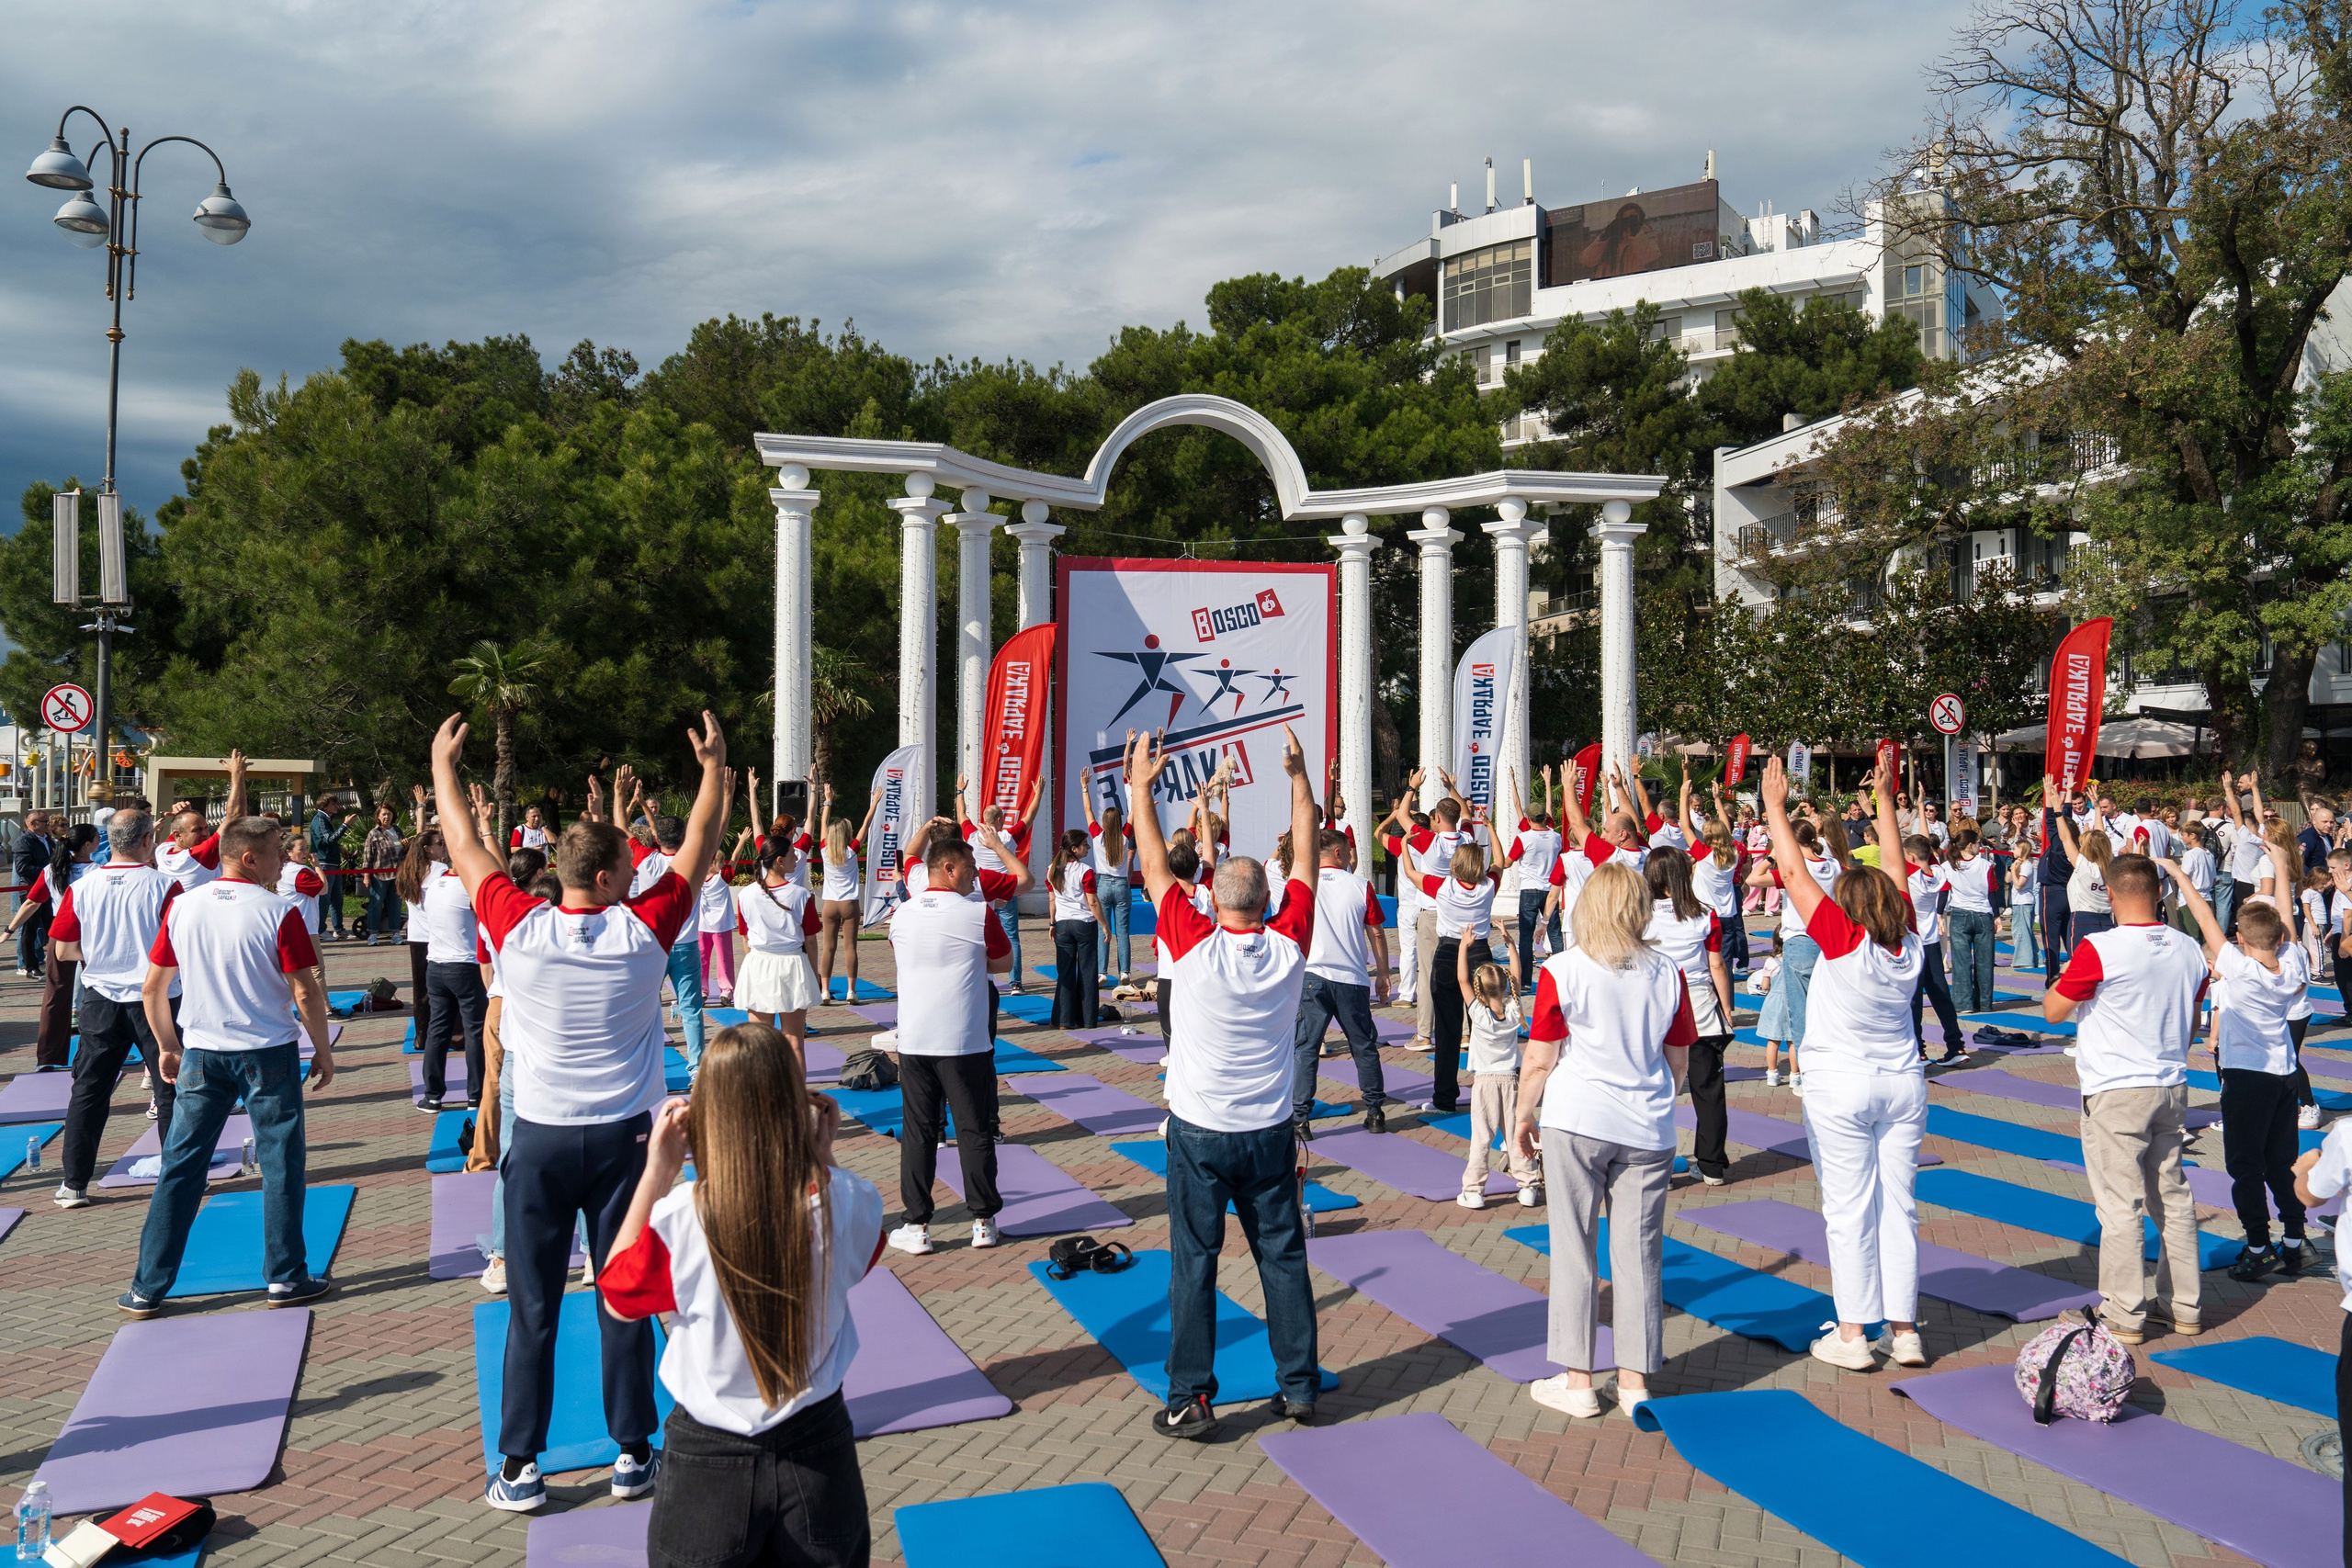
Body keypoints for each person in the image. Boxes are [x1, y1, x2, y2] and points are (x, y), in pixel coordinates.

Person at [432, 709, 729, 1512]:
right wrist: (713, 768)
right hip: (625, 1144)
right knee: (622, 1294)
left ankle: (521, 1466)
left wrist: (441, 767)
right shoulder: (642, 931)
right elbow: (701, 838)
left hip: (545, 1141)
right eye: (628, 868)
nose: (637, 876)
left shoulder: (519, 926)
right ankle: (634, 1452)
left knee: (533, 1305)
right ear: (604, 878)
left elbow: (463, 844)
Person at [599, 1024, 884, 1568]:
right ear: (794, 1104)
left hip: (709, 1460)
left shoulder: (681, 1218)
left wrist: (658, 1171)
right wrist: (825, 1162)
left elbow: (618, 1297)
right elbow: (864, 1254)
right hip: (819, 1450)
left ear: (706, 1116)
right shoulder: (848, 1197)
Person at [1126, 722, 1322, 1441]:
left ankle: (1190, 1396)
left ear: (1211, 894)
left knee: (1193, 1263)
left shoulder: (1189, 938)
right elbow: (1306, 853)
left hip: (1202, 1133)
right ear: (1268, 901)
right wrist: (1299, 779)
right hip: (1267, 1130)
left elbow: (1151, 860)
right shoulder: (1290, 942)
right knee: (1283, 1257)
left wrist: (1142, 787)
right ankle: (1298, 1386)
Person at [118, 814, 339, 1315]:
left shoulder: (182, 906)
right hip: (266, 1052)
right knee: (281, 1164)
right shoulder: (276, 911)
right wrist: (323, 1050)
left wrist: (167, 1047)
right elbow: (304, 988)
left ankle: (146, 1287)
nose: (283, 859)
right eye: (276, 851)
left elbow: (153, 988)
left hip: (202, 1051)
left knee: (181, 1166)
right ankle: (284, 1277)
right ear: (248, 857)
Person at [1764, 753, 1931, 1371]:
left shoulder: (1843, 936)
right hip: (1902, 1083)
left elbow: (1790, 867)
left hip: (1842, 1086)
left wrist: (1776, 808)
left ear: (1850, 907)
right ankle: (1905, 1330)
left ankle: (1855, 1334)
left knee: (1848, 1209)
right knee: (1899, 1206)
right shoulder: (1907, 940)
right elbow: (1894, 869)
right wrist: (1886, 801)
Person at [1513, 859, 1694, 1417]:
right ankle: (1635, 1381)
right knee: (1640, 1254)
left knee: (1575, 1249)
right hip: (1647, 1126)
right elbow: (1679, 1059)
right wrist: (1656, 1094)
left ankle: (1578, 1383)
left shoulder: (1563, 969)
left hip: (1578, 1119)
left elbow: (1540, 1059)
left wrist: (1521, 1115)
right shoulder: (1668, 972)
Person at [2042, 850, 2208, 1346]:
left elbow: (2053, 1010)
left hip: (2116, 1088)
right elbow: (2194, 1021)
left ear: (2109, 895)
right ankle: (2185, 1307)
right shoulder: (2188, 948)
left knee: (2120, 1207)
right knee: (2172, 1199)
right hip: (2171, 1083)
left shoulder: (2100, 948)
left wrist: (2066, 979)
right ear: (2159, 894)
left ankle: (2124, 1313)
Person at [2165, 847, 2313, 1284]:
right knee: (2283, 1161)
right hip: (2285, 1076)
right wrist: (2283, 867)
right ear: (2281, 939)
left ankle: (2257, 1247)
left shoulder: (2240, 968)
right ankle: (2292, 1241)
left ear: (2243, 940)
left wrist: (2178, 873)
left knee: (2245, 1166)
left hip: (2248, 1078)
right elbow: (2285, 919)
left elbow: (2205, 917)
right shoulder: (2291, 961)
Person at [883, 816, 1027, 1258]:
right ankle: (983, 1220)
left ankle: (918, 1225)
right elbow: (1003, 964)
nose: (973, 876)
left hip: (916, 1039)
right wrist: (968, 961)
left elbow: (902, 954)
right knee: (974, 1129)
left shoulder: (902, 912)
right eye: (969, 869)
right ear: (948, 868)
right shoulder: (977, 912)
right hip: (965, 1041)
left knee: (920, 1133)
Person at [51, 812, 182, 1209]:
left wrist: (100, 960)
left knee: (89, 1090)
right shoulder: (164, 886)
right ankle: (178, 1179)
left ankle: (74, 1183)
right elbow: (179, 946)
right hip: (155, 995)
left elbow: (62, 950)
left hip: (100, 997)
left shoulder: (84, 886)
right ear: (147, 841)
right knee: (171, 1087)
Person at [1290, 827, 1392, 1139]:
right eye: (1348, 852)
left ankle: (1300, 1120)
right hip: (1352, 978)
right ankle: (1375, 1112)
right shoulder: (1361, 886)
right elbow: (1375, 931)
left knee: (1306, 1048)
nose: (1351, 857)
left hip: (1312, 977)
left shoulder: (1304, 886)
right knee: (1363, 1046)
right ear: (1337, 853)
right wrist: (1384, 973)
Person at [1407, 818, 1507, 1118]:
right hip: (1480, 954)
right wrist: (1491, 828)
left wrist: (1403, 845)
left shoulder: (1443, 887)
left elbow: (1411, 873)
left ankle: (1444, 1099)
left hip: (1449, 953)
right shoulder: (1489, 885)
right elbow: (1500, 862)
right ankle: (1489, 1095)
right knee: (1485, 1030)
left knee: (1448, 1032)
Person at [1645, 846, 1733, 1185]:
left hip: (1653, 1009)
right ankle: (1712, 1166)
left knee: (1654, 1088)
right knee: (1709, 1089)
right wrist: (1726, 1006)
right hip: (1699, 1007)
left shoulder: (1637, 913)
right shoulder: (1705, 914)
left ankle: (1658, 1166)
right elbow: (1716, 964)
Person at [10, 824, 98, 1069]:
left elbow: (32, 902)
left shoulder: (52, 869)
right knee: (98, 992)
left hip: (61, 934)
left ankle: (48, 1057)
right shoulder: (97, 871)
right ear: (88, 845)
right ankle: (97, 1052)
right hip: (90, 935)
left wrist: (9, 930)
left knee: (55, 995)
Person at [414, 824, 489, 1113]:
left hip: (436, 966)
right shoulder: (470, 888)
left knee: (438, 1031)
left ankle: (432, 1096)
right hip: (465, 967)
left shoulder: (435, 885)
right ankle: (477, 1096)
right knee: (475, 1031)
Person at [1458, 958, 1541, 1207]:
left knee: (1482, 1138)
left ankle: (1473, 1191)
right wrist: (1512, 947)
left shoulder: (1478, 1013)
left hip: (1485, 1081)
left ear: (1479, 990)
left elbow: (1462, 979)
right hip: (1512, 1080)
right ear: (1506, 986)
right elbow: (1516, 977)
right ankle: (1528, 1186)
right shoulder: (1514, 1008)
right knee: (1518, 1135)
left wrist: (1463, 945)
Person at [735, 836, 821, 1061]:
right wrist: (814, 974)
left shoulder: (745, 895)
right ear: (780, 861)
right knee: (793, 1040)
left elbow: (744, 937)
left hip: (759, 963)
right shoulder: (801, 895)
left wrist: (754, 965)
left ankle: (761, 1095)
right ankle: (795, 1095)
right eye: (793, 854)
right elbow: (810, 940)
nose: (797, 857)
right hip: (792, 965)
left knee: (760, 1042)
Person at [958, 776, 1041, 995]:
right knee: (1012, 936)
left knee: (979, 936)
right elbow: (1029, 816)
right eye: (1002, 819)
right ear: (997, 821)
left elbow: (961, 815)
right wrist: (1038, 793)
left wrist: (960, 792)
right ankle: (1016, 983)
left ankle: (982, 980)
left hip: (981, 893)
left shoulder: (972, 835)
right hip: (1005, 891)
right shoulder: (1007, 836)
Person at [1904, 838, 1966, 1066]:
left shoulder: (1909, 875)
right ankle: (1956, 1047)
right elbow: (1925, 851)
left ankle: (1918, 1051)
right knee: (1941, 995)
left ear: (1910, 857)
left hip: (1914, 943)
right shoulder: (1938, 874)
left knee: (1914, 1001)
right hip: (1931, 942)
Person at [816, 784, 880, 1005]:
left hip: (830, 904)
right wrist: (874, 803)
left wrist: (827, 800)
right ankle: (851, 991)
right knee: (850, 947)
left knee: (828, 948)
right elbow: (866, 824)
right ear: (845, 835)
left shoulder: (824, 850)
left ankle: (824, 990)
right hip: (850, 904)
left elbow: (823, 823)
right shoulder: (852, 850)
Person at [1504, 769, 1563, 994]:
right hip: (1550, 892)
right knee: (1555, 935)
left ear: (1528, 819)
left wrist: (1494, 867)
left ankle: (1526, 982)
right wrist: (1548, 783)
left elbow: (1508, 862)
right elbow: (1541, 811)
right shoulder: (1555, 836)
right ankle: (1560, 979)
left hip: (1529, 890)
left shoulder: (1523, 837)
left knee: (1526, 938)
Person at [1046, 829, 1107, 1031]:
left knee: (1064, 973)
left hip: (1062, 924)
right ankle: (1087, 1019)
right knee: (1088, 971)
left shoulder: (1051, 869)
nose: (1088, 848)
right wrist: (1105, 925)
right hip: (1084, 923)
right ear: (1074, 848)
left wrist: (1052, 923)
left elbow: (1052, 899)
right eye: (1085, 845)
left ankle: (1063, 1019)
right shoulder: (1085, 871)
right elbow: (1092, 902)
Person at [1081, 785, 1136, 988]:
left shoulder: (1097, 835)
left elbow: (1088, 810)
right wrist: (1137, 792)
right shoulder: (1125, 835)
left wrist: (1085, 788)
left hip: (1102, 885)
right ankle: (1124, 971)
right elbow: (1133, 813)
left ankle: (1102, 973)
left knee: (1103, 931)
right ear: (1119, 822)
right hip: (1122, 885)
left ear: (1104, 822)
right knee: (1123, 932)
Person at [1943, 829, 2000, 1014]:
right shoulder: (1985, 865)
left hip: (1959, 914)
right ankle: (1984, 1003)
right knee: (1985, 961)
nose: (1980, 846)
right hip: (1983, 913)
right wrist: (1997, 916)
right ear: (1970, 845)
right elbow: (1992, 891)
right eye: (1978, 843)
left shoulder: (1947, 866)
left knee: (1961, 961)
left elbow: (1943, 891)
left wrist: (1938, 915)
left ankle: (1963, 1004)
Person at [12, 808, 54, 978]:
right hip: (30, 889)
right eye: (45, 822)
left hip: (49, 888)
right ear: (32, 824)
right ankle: (30, 967)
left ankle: (54, 962)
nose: (48, 825)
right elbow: (23, 868)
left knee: (51, 926)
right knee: (29, 929)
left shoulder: (47, 839)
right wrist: (49, 871)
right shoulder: (23, 842)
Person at [361, 799, 404, 943]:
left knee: (395, 904)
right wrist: (366, 876)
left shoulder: (397, 831)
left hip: (397, 874)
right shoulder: (374, 833)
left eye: (389, 814)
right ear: (378, 816)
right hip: (379, 875)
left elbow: (404, 853)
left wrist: (406, 845)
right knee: (376, 903)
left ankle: (395, 933)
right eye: (384, 814)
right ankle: (373, 933)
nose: (387, 817)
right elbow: (367, 856)